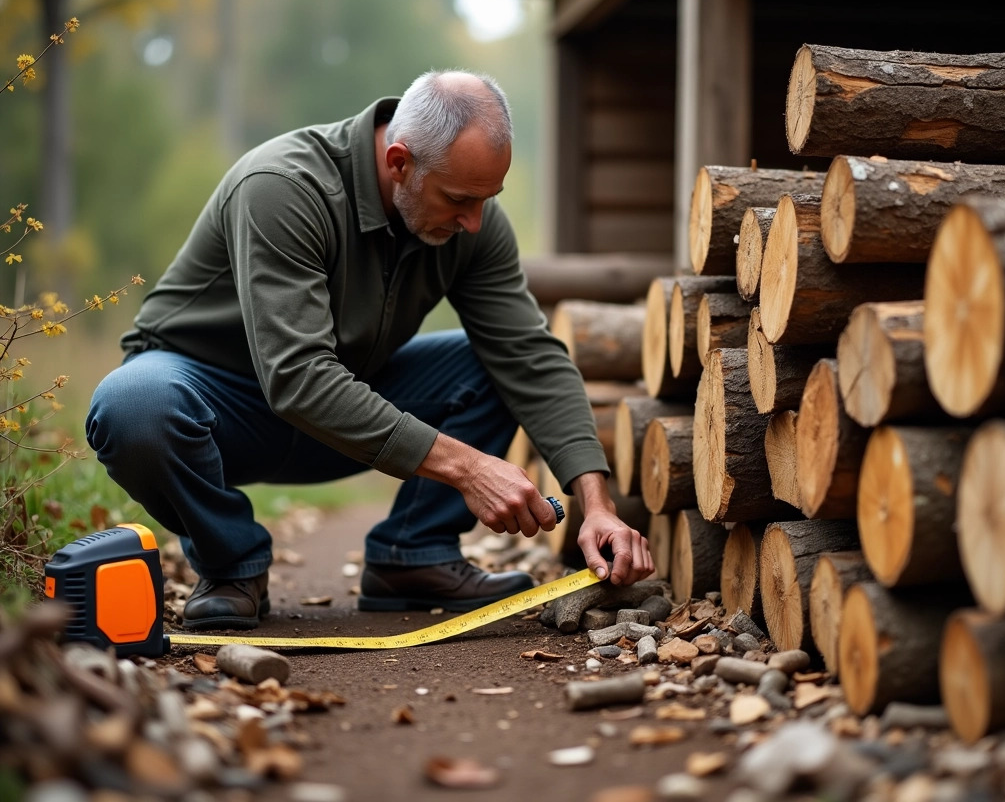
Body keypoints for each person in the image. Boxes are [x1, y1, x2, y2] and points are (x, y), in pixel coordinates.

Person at [86, 70, 653, 631]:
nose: (474, 222)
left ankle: (414, 558)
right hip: (215, 408)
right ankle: (231, 566)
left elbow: (530, 355)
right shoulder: (282, 186)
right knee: (132, 404)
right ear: (399, 161)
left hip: (337, 406)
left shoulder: (472, 221)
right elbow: (299, 377)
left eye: (488, 199)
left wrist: (596, 503)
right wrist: (469, 467)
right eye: (458, 199)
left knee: (491, 362)